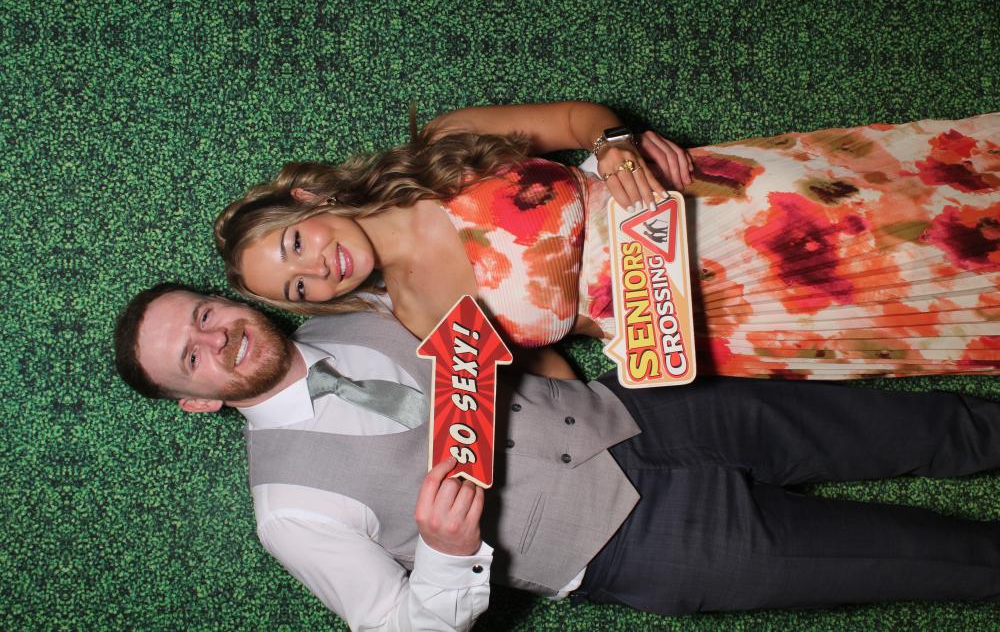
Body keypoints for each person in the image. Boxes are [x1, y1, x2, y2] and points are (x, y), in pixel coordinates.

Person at [114, 283, 1000, 631]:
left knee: (917, 425)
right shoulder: (288, 509)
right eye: (192, 356)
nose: (217, 338)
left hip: (650, 409)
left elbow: (492, 316)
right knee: (936, 558)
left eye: (203, 314)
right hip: (643, 545)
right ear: (196, 399)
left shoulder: (355, 307)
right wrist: (446, 553)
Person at [214, 102, 1000, 379]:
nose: (317, 268)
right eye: (298, 287)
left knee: (941, 212)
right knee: (933, 312)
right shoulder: (423, 317)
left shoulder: (444, 146)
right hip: (727, 324)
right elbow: (548, 376)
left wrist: (617, 143)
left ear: (307, 200)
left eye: (294, 245)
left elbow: (577, 121)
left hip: (732, 207)